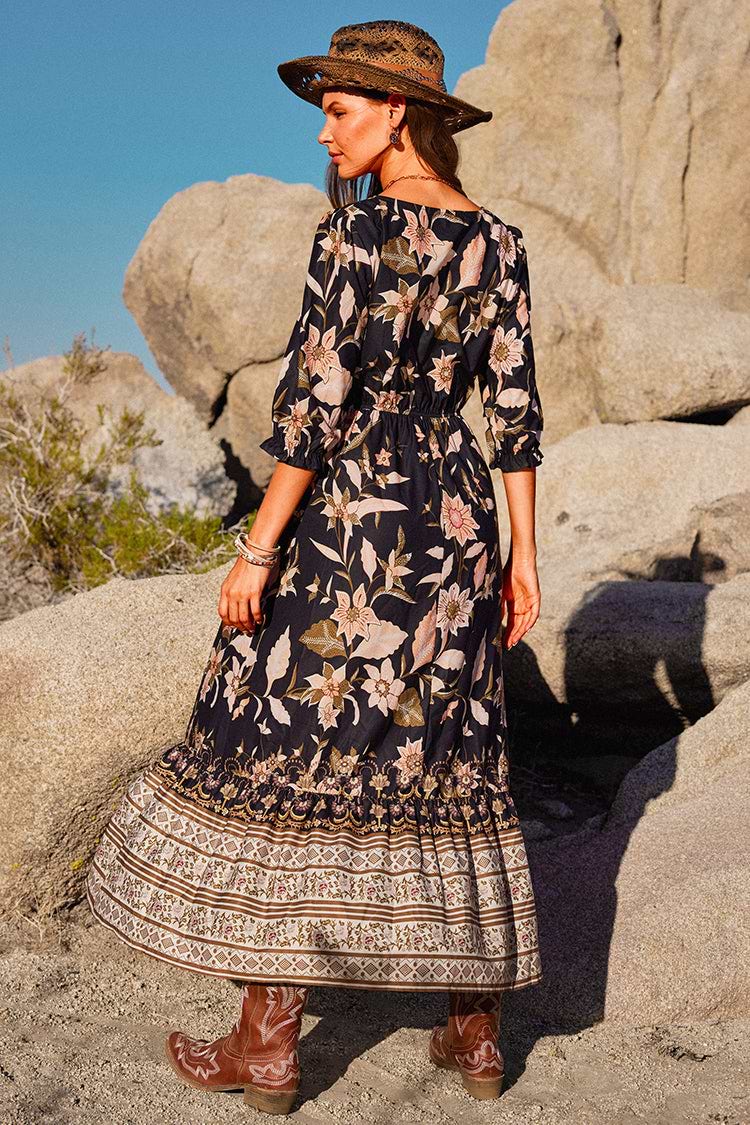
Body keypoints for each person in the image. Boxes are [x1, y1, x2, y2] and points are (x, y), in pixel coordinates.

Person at [85, 18, 544, 1115]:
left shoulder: (354, 232)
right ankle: (476, 1034)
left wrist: (256, 548)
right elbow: (516, 411)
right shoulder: (500, 241)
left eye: (340, 111)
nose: (325, 133)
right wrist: (525, 556)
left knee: (298, 746)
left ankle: (270, 1046)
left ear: (397, 111)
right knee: (449, 749)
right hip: (457, 521)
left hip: (353, 522)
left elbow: (316, 404)